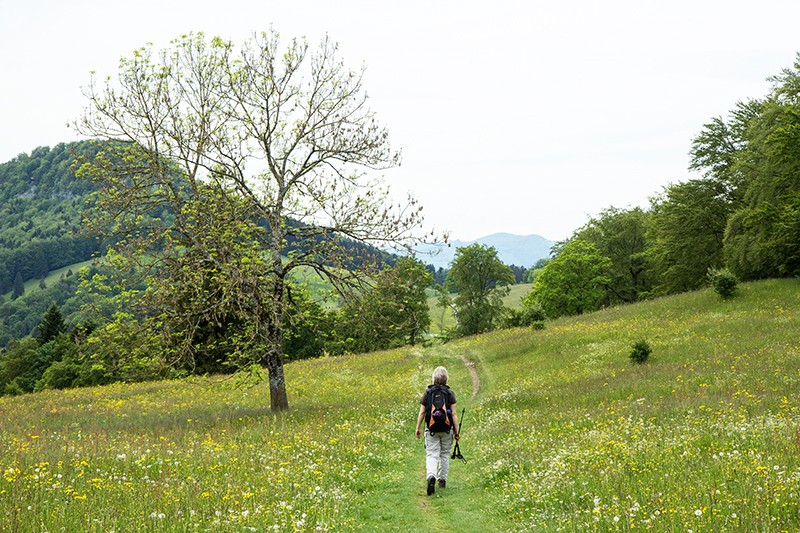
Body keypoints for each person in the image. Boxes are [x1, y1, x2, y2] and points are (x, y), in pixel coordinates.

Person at [415, 366, 460, 495]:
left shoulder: (428, 392)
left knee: (432, 454)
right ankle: (442, 480)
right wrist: (456, 432)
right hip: (447, 429)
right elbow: (454, 414)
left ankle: (431, 476)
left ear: (434, 378)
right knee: (444, 454)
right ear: (446, 378)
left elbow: (422, 411)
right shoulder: (450, 393)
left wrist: (418, 427)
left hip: (431, 429)